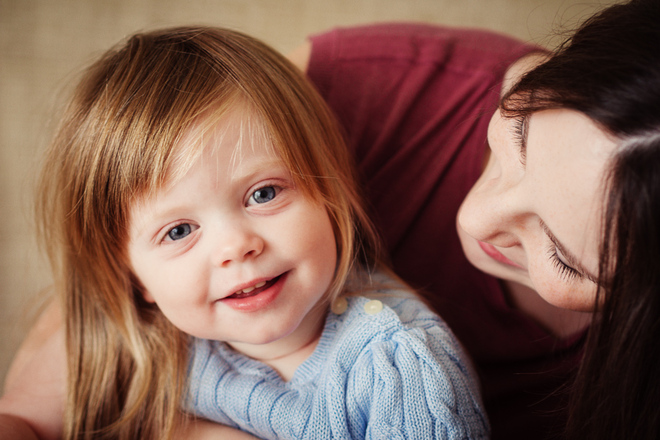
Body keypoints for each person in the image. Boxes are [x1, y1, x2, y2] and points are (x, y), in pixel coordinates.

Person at [3, 0, 660, 438]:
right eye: (515, 140)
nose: (477, 216)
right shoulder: (171, 323)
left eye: (566, 255)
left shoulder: (403, 369)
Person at [0, 26, 488, 440]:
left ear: (331, 193)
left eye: (263, 194)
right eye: (179, 231)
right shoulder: (153, 343)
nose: (235, 246)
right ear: (136, 279)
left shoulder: (399, 368)